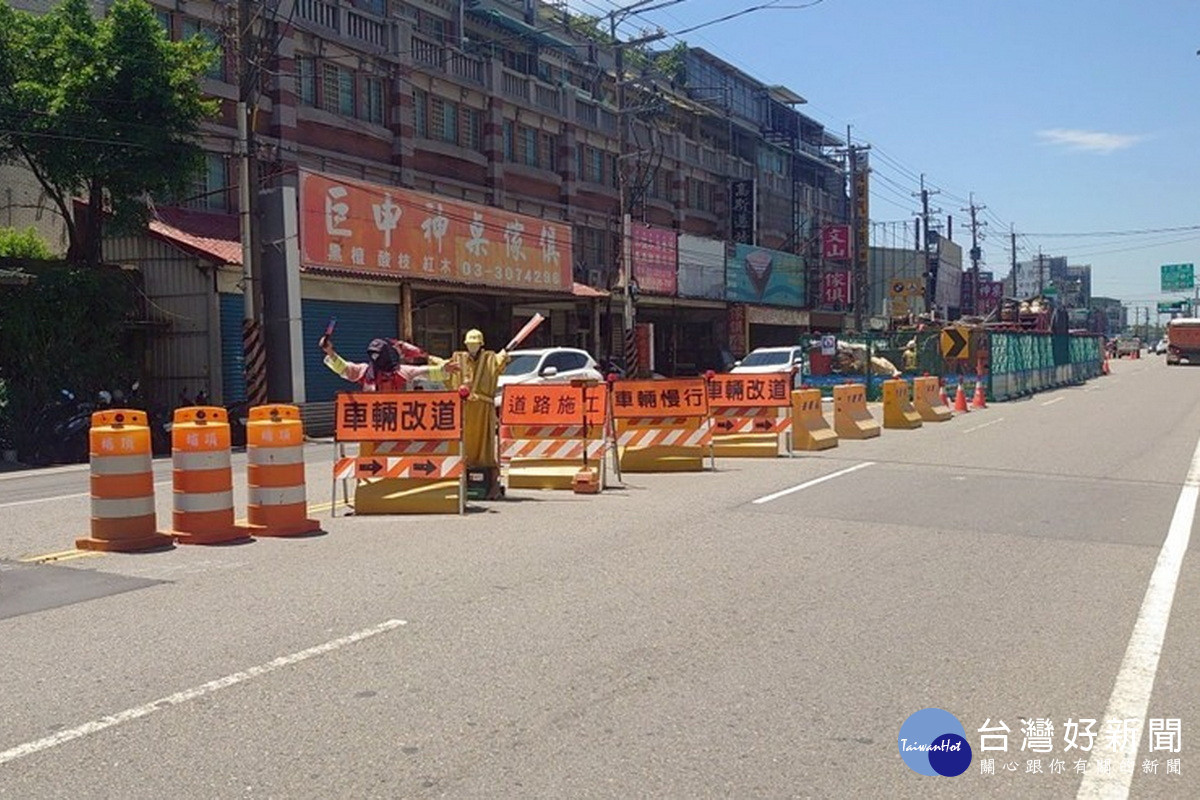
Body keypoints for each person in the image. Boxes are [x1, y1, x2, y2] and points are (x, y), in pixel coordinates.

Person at [445, 329, 510, 498]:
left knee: (485, 444)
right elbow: (444, 368)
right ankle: (463, 480)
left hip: (483, 409)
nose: (472, 347)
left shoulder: (490, 359)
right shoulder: (458, 359)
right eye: (469, 344)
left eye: (475, 344)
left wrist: (505, 354)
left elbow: (501, 361)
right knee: (465, 441)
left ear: (481, 345)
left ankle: (490, 483)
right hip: (465, 410)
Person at [320, 335, 455, 391]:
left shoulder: (400, 371)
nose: (377, 358)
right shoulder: (364, 372)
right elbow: (344, 368)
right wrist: (330, 353)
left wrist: (443, 369)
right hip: (371, 423)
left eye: (380, 354)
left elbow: (423, 372)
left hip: (395, 421)